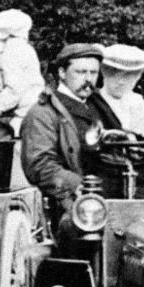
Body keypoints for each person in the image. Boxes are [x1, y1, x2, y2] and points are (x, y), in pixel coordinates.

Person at [19, 41, 109, 224]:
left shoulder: (98, 106)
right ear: (62, 73)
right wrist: (81, 186)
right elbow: (40, 166)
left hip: (112, 189)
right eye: (80, 72)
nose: (88, 79)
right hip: (73, 198)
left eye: (93, 73)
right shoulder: (43, 113)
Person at [0, 9, 45, 137]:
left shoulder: (12, 52)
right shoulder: (23, 47)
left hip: (26, 112)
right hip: (33, 107)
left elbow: (14, 89)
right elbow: (5, 74)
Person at [95, 44, 144, 142]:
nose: (121, 81)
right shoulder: (92, 102)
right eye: (115, 74)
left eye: (129, 76)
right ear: (104, 72)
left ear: (138, 76)